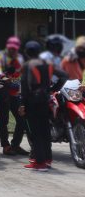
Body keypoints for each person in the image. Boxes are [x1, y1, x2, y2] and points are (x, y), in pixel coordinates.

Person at [19, 40, 67, 170]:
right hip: (45, 100)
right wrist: (52, 89)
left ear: (27, 52)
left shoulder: (28, 65)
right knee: (45, 130)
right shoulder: (47, 64)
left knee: (36, 133)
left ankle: (40, 163)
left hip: (32, 102)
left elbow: (25, 87)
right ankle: (47, 160)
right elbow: (63, 76)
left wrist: (22, 104)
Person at [0, 36, 28, 156]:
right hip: (3, 92)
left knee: (22, 119)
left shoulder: (20, 58)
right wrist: (3, 76)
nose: (13, 50)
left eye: (15, 48)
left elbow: (23, 72)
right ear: (8, 47)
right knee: (4, 119)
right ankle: (5, 146)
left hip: (15, 93)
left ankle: (16, 145)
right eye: (11, 48)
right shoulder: (1, 56)